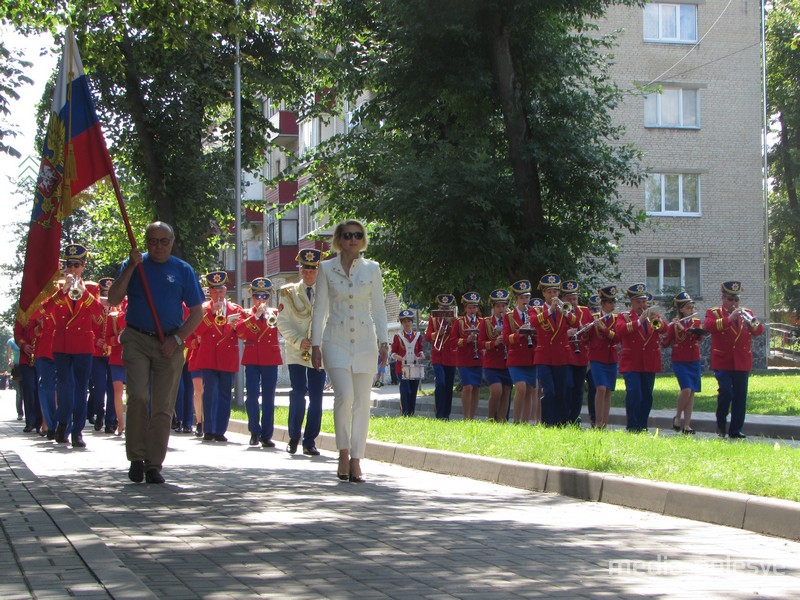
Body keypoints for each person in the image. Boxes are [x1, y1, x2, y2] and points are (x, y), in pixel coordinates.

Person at [108, 222, 204, 484]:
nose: (158, 246)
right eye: (152, 241)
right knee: (138, 396)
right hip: (137, 338)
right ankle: (136, 458)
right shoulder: (135, 265)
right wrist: (130, 266)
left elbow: (197, 312)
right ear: (145, 242)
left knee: (163, 406)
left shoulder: (182, 270)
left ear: (172, 242)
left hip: (169, 343)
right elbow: (115, 298)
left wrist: (177, 339)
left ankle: (154, 464)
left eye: (164, 241)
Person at [311, 220, 388, 483]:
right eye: (347, 235)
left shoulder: (372, 268)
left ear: (363, 239)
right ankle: (343, 452)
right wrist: (315, 344)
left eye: (357, 235)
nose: (352, 240)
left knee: (362, 402)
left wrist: (384, 341)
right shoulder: (325, 268)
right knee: (344, 395)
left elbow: (378, 307)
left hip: (366, 341)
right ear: (339, 239)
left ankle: (357, 459)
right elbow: (319, 308)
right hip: (335, 339)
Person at [42, 244, 104, 448]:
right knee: (65, 386)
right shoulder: (57, 287)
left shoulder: (92, 288)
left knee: (80, 389)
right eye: (70, 265)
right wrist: (64, 291)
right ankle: (62, 424)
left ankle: (77, 431)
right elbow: (46, 310)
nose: (73, 269)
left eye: (77, 265)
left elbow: (98, 313)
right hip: (62, 343)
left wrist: (83, 292)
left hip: (83, 345)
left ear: (84, 267)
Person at [277, 248, 326, 456]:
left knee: (317, 397)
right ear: (300, 270)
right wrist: (298, 341)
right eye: (305, 270)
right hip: (297, 351)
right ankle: (294, 437)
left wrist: (320, 344)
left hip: (319, 352)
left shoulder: (327, 292)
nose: (308, 274)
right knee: (298, 393)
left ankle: (310, 441)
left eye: (313, 270)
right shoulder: (288, 292)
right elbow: (282, 322)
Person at [705, 281, 764, 439]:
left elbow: (759, 330)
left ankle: (736, 429)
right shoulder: (714, 312)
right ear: (723, 298)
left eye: (736, 299)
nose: (734, 303)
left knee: (740, 396)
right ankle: (721, 423)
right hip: (723, 361)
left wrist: (752, 321)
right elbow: (709, 327)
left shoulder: (747, 312)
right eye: (730, 299)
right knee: (726, 392)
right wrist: (730, 318)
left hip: (742, 361)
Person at [194, 271, 243, 442]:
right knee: (210, 393)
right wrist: (211, 315)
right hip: (209, 356)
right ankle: (209, 429)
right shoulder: (203, 309)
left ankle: (220, 430)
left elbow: (243, 334)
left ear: (225, 291)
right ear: (210, 292)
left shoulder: (235, 309)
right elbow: (197, 331)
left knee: (224, 395)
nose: (218, 295)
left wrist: (236, 326)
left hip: (227, 356)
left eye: (221, 291)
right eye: (214, 292)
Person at [235, 277, 283, 448]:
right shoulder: (246, 314)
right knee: (252, 396)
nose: (261, 300)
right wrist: (256, 316)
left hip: (270, 358)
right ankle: (254, 431)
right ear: (252, 297)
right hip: (253, 358)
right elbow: (240, 332)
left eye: (264, 297)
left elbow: (284, 330)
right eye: (257, 297)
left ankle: (266, 435)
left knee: (269, 398)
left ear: (269, 298)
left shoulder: (276, 314)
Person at [615, 283, 663, 433]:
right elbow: (621, 331)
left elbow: (665, 330)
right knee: (634, 392)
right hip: (632, 362)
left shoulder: (652, 318)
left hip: (649, 361)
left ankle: (643, 425)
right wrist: (639, 320)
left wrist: (654, 320)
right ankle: (632, 425)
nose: (642, 305)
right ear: (632, 303)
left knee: (647, 395)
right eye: (638, 302)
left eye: (644, 302)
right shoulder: (624, 316)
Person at [531, 274, 578, 426]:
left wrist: (565, 311)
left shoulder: (564, 308)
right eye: (549, 292)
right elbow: (533, 322)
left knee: (562, 390)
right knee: (549, 391)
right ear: (543, 293)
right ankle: (547, 422)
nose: (553, 295)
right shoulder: (536, 309)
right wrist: (550, 311)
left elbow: (575, 322)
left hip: (562, 355)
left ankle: (561, 422)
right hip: (544, 355)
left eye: (555, 292)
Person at [662, 291, 703, 435]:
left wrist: (682, 327)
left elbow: (698, 337)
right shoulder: (674, 324)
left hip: (694, 359)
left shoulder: (696, 322)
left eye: (691, 307)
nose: (690, 310)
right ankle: (677, 417)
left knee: (692, 392)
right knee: (686, 389)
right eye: (687, 307)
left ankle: (687, 425)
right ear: (680, 309)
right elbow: (666, 342)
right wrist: (667, 330)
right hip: (680, 360)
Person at [503, 280, 537, 424]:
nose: (525, 301)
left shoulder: (534, 313)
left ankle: (525, 422)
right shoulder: (509, 316)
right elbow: (505, 338)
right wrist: (520, 335)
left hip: (530, 357)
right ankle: (516, 420)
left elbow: (541, 334)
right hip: (516, 358)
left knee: (530, 390)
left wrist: (533, 332)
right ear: (516, 299)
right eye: (522, 298)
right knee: (521, 388)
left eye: (527, 297)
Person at [586, 286, 619, 429]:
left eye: (614, 302)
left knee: (608, 390)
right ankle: (598, 422)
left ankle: (604, 423)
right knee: (600, 388)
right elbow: (586, 339)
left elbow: (617, 337)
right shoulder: (594, 317)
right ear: (603, 304)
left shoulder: (618, 319)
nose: (613, 305)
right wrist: (587, 328)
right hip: (597, 358)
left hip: (611, 358)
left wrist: (604, 329)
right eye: (610, 302)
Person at [562, 280, 592, 425]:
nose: (573, 302)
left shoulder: (585, 311)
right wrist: (566, 333)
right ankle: (565, 415)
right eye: (569, 299)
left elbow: (589, 336)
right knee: (568, 385)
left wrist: (585, 330)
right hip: (566, 355)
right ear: (563, 300)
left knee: (579, 389)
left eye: (575, 299)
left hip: (581, 355)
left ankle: (575, 417)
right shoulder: (560, 311)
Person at [479, 289, 512, 422]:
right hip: (491, 363)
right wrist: (494, 343)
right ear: (493, 307)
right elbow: (480, 343)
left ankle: (502, 420)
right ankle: (491, 418)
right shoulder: (486, 322)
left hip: (507, 362)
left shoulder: (511, 320)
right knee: (497, 391)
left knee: (506, 392)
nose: (501, 309)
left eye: (503, 306)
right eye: (498, 306)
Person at [425, 294, 458, 419]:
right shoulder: (433, 319)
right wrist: (438, 333)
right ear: (439, 308)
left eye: (447, 309)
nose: (445, 312)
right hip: (438, 356)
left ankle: (446, 414)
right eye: (442, 309)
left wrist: (450, 326)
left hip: (451, 357)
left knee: (449, 387)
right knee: (441, 384)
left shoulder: (455, 320)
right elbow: (428, 336)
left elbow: (456, 336)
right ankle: (439, 413)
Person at [452, 292, 483, 420]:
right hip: (464, 359)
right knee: (468, 386)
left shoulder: (482, 322)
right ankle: (466, 417)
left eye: (474, 307)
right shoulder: (459, 322)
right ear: (465, 308)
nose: (472, 310)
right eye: (470, 307)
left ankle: (472, 416)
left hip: (479, 358)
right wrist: (466, 341)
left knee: (476, 388)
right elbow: (453, 341)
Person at [391, 309, 425, 416]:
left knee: (413, 390)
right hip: (402, 367)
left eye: (409, 321)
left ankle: (411, 413)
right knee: (405, 389)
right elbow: (393, 352)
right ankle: (404, 413)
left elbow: (420, 349)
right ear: (402, 323)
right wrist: (399, 357)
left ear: (412, 322)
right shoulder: (398, 336)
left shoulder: (417, 335)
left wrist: (421, 355)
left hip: (414, 366)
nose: (407, 323)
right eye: (404, 321)